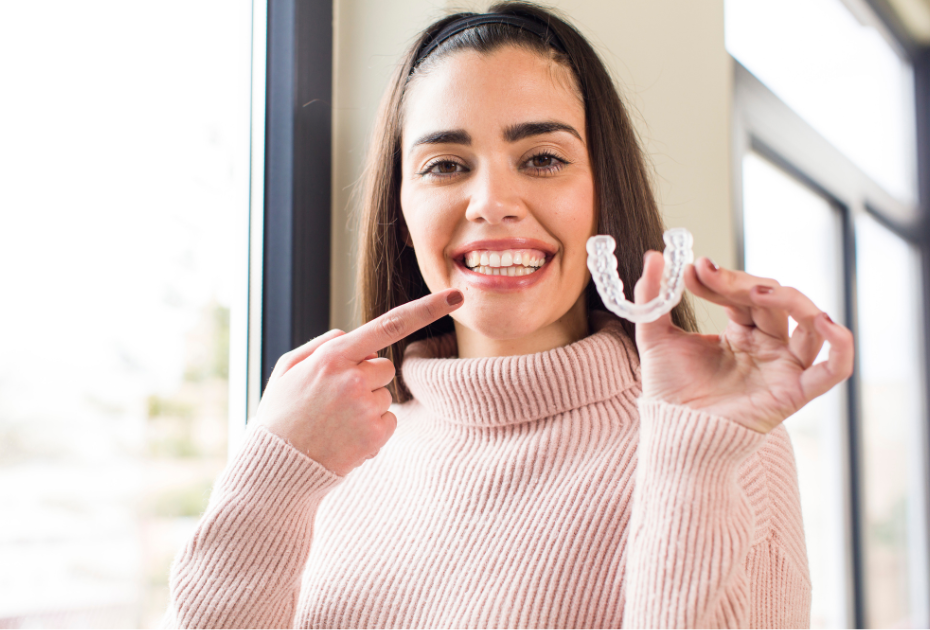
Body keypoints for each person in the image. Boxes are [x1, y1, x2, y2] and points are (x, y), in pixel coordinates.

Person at [164, 3, 853, 628]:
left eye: (543, 158)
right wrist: (273, 472)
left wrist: (693, 465)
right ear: (400, 208)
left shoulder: (717, 440)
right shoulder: (334, 446)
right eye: (445, 165)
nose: (492, 201)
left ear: (603, 190)